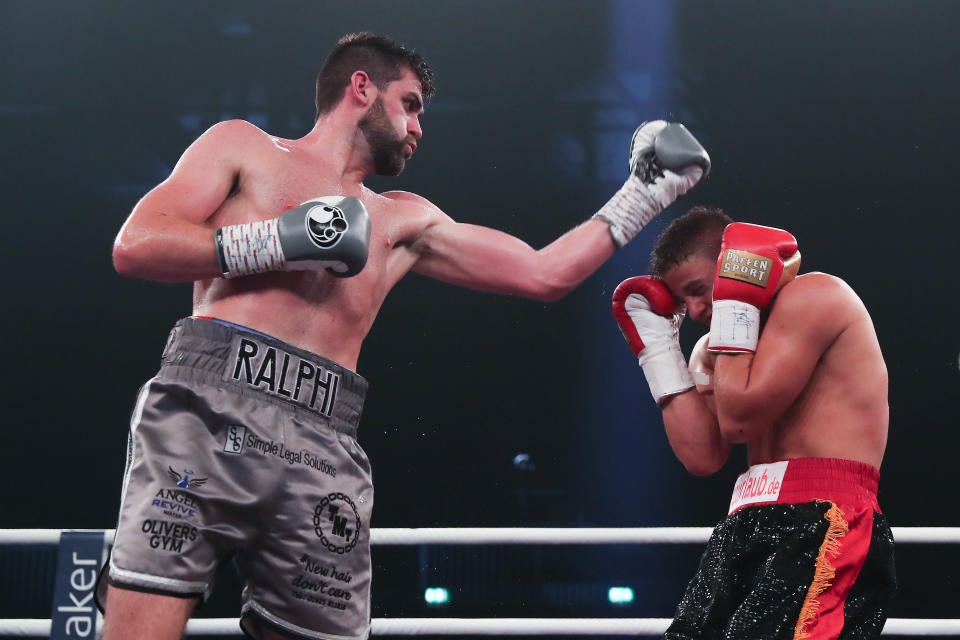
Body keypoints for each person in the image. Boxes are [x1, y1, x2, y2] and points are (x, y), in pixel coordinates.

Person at [94, 31, 709, 640]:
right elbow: (137, 245)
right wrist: (281, 241)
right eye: (411, 104)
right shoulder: (244, 148)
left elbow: (543, 273)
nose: (419, 127)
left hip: (320, 444)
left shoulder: (403, 219)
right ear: (362, 88)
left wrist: (645, 193)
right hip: (205, 414)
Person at [611, 206, 896, 639]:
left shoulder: (816, 297)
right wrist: (658, 352)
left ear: (731, 267)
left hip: (825, 515)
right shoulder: (719, 347)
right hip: (745, 517)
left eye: (697, 289)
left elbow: (739, 421)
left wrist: (732, 312)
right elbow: (702, 456)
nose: (693, 309)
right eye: (681, 301)